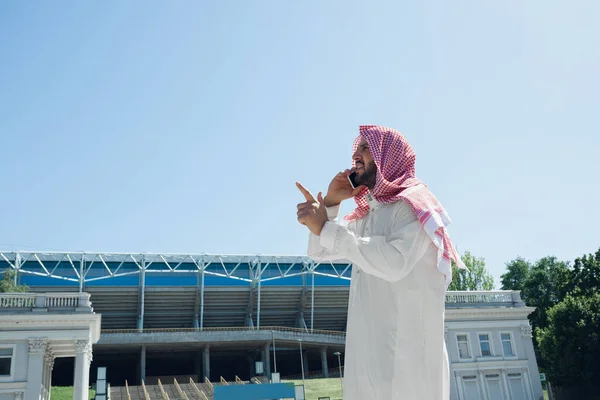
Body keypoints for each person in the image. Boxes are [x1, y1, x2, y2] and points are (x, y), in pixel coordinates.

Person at [295, 125, 466, 400]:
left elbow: (395, 262)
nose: (356, 156)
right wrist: (329, 205)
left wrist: (325, 227)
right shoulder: (366, 215)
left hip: (408, 362)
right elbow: (320, 252)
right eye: (356, 149)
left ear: (389, 156)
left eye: (365, 148)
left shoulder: (414, 205)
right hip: (368, 360)